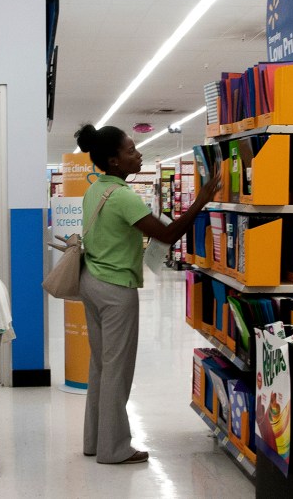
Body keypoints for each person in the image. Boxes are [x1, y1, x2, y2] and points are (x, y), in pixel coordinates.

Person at [75, 124, 221, 464]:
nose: (138, 155)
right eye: (130, 151)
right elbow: (168, 233)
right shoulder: (124, 196)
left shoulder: (95, 190)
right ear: (113, 161)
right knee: (117, 369)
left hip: (91, 280)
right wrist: (201, 200)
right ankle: (114, 449)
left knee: (100, 365)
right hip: (115, 289)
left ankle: (95, 440)